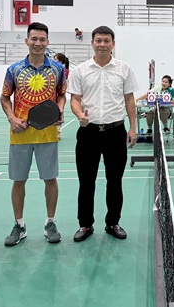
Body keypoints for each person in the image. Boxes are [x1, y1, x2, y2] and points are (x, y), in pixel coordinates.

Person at [68, 26, 138, 242]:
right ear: (92, 43)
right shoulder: (80, 70)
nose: (102, 44)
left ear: (113, 44)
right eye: (98, 40)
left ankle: (113, 222)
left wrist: (133, 128)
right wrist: (79, 114)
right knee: (86, 182)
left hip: (115, 132)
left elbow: (129, 99)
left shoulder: (124, 69)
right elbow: (75, 99)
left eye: (106, 41)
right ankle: (85, 224)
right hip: (87, 133)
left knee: (114, 181)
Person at [1, 22, 67, 247]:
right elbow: (4, 97)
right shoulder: (14, 69)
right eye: (34, 39)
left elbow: (61, 95)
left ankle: (50, 222)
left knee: (50, 179)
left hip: (47, 133)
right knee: (18, 180)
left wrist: (59, 110)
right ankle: (19, 225)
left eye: (42, 39)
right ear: (26, 41)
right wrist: (12, 118)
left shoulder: (58, 69)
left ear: (47, 42)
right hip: (20, 133)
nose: (38, 43)